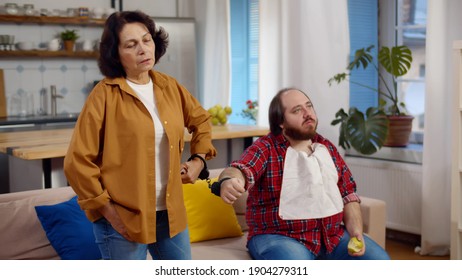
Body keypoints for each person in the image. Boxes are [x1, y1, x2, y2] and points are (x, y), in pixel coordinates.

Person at [63, 11, 216, 260]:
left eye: (146, 40)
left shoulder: (170, 86)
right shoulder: (104, 95)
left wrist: (199, 159)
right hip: (124, 218)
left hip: (171, 214)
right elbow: (77, 162)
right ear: (116, 53)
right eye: (131, 45)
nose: (143, 49)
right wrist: (108, 212)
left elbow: (202, 120)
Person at [214, 88, 390, 260]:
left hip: (332, 237)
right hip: (281, 237)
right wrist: (229, 180)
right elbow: (242, 168)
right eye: (297, 110)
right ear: (280, 122)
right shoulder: (266, 148)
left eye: (309, 106)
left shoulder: (326, 147)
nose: (307, 113)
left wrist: (356, 232)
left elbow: (348, 194)